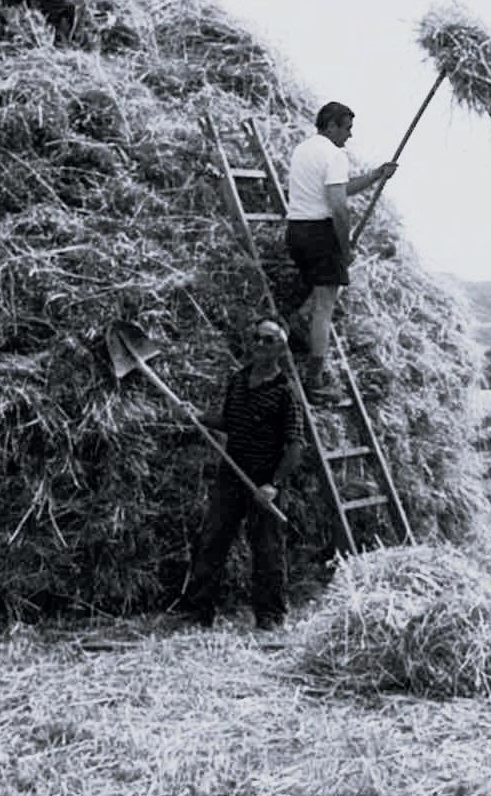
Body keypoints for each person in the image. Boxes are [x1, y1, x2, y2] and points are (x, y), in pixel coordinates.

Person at [176, 318, 306, 631]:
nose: (260, 344)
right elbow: (229, 422)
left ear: (281, 348)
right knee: (212, 540)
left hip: (263, 481)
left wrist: (273, 484)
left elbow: (295, 445)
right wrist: (199, 416)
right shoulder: (238, 380)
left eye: (268, 340)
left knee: (267, 550)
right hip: (231, 476)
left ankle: (270, 616)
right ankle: (199, 613)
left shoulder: (286, 392)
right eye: (257, 338)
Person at [284, 102, 397, 398]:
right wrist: (344, 249)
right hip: (320, 234)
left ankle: (298, 323)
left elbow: (339, 188)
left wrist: (376, 175)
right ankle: (315, 381)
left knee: (316, 292)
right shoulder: (335, 155)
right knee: (325, 307)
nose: (349, 135)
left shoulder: (302, 150)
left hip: (296, 231)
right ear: (332, 125)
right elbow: (338, 207)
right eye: (347, 128)